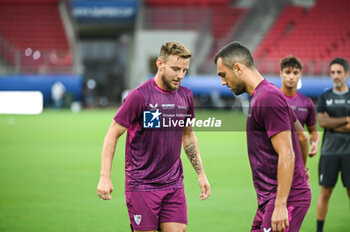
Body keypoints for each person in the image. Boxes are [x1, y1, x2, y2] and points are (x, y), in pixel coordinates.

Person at [96, 41, 211, 232]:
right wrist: (105, 176)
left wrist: (201, 173)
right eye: (175, 69)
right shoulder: (139, 96)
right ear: (160, 64)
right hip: (142, 185)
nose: (180, 75)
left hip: (173, 184)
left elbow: (188, 136)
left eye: (184, 70)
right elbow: (112, 134)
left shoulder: (186, 96)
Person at [214, 41, 310, 232]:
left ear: (238, 68)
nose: (223, 82)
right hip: (271, 198)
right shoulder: (266, 94)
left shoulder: (268, 98)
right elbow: (302, 137)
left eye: (223, 75)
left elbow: (287, 152)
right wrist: (302, 171)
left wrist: (281, 204)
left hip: (283, 198)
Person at [316, 57, 350, 232]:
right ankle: (319, 230)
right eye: (333, 73)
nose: (335, 76)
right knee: (325, 192)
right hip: (329, 152)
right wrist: (345, 121)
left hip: (349, 153)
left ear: (346, 73)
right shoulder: (324, 96)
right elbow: (323, 122)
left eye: (339, 72)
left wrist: (332, 122)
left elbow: (329, 122)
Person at [280, 56, 319, 158]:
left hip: (298, 159)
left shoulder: (307, 102)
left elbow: (313, 131)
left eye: (295, 73)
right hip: (275, 157)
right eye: (287, 72)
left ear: (300, 74)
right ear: (281, 73)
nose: (291, 76)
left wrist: (314, 143)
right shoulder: (271, 99)